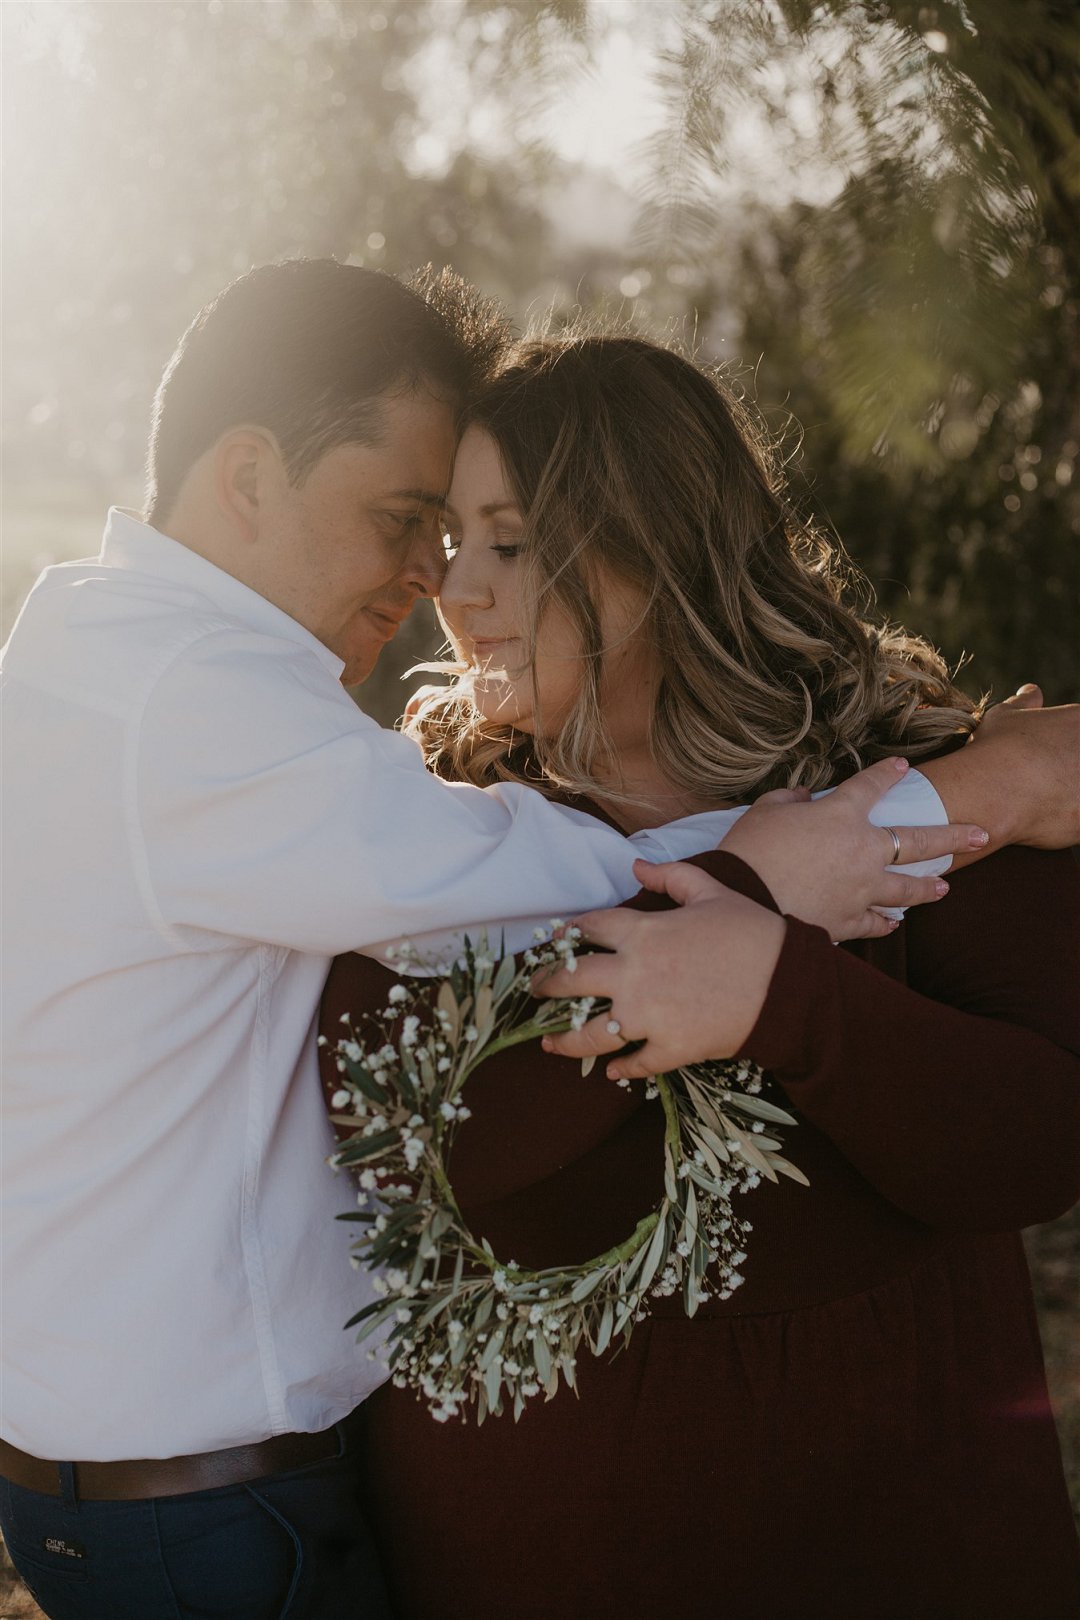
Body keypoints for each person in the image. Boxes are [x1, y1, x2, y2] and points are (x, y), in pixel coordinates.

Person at [0, 260, 981, 1620]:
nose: (435, 578)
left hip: (110, 1476)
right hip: (217, 1510)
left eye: (482, 536)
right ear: (247, 478)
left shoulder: (86, 649)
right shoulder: (199, 711)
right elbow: (516, 876)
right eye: (405, 518)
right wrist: (826, 847)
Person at [322, 330, 1080, 1619]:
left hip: (890, 1545)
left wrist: (793, 1001)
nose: (460, 589)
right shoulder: (426, 824)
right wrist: (750, 909)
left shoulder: (910, 777)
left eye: (512, 540)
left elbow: (1039, 1143)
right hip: (526, 1560)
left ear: (655, 548)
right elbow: (416, 1141)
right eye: (453, 539)